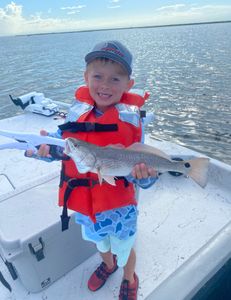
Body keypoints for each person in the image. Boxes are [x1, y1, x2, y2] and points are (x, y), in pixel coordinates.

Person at [28, 40, 158, 300]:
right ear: (86, 77)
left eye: (115, 78)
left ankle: (129, 277)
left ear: (128, 84)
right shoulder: (75, 115)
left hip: (119, 208)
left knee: (124, 247)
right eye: (98, 76)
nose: (105, 85)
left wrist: (144, 178)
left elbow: (143, 168)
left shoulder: (131, 121)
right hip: (88, 208)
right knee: (100, 243)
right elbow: (60, 147)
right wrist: (42, 149)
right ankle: (107, 265)